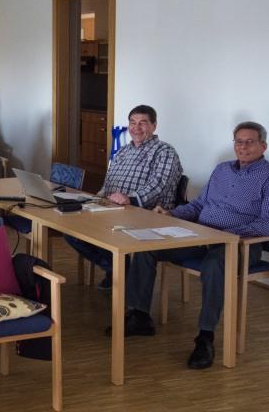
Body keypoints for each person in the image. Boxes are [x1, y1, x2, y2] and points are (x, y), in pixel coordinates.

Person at [123, 121, 269, 369]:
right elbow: (199, 205)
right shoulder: (222, 170)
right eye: (239, 142)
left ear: (263, 146)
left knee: (214, 266)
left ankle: (205, 337)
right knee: (147, 247)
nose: (243, 147)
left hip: (241, 245)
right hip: (202, 236)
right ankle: (139, 316)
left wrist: (227, 234)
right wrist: (172, 213)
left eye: (250, 142)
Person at [65, 105, 184, 289]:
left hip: (148, 213)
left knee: (101, 230)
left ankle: (119, 272)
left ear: (154, 126)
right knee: (72, 230)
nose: (136, 128)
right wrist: (94, 200)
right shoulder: (122, 152)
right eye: (133, 123)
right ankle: (116, 268)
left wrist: (132, 199)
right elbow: (108, 184)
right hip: (114, 210)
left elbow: (159, 185)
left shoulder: (165, 152)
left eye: (143, 123)